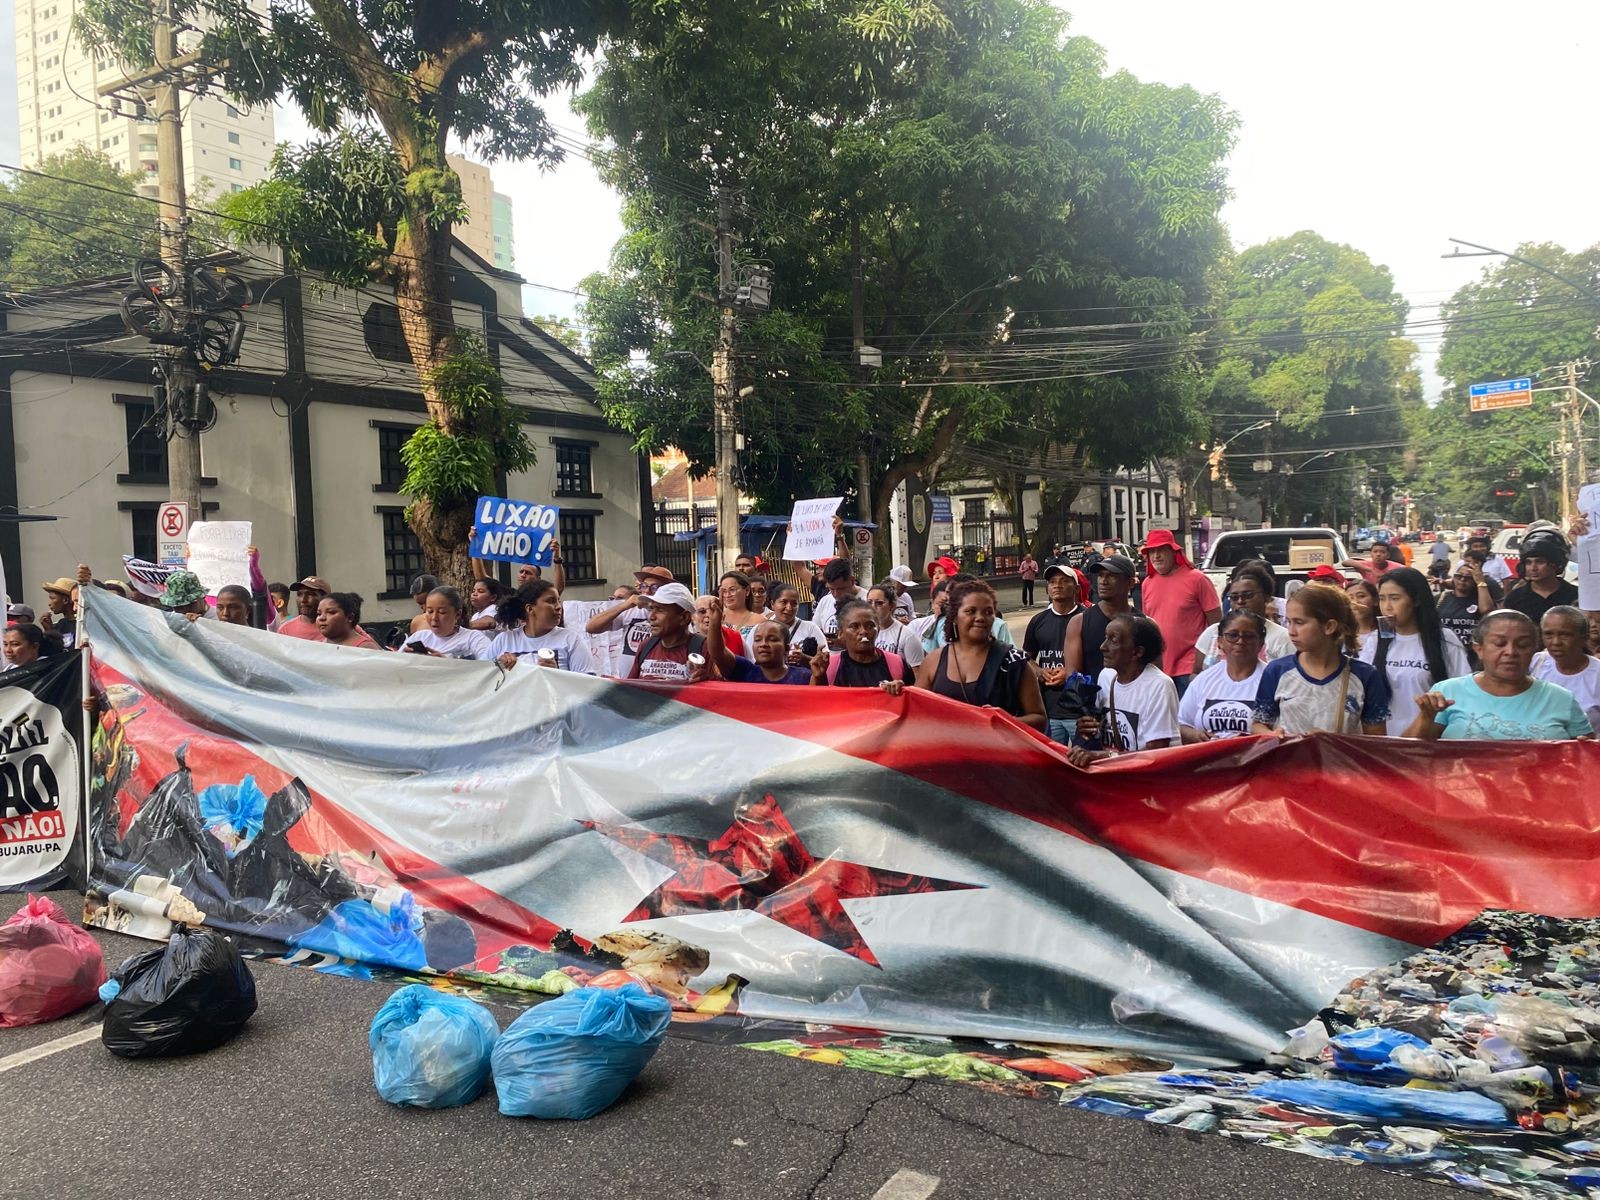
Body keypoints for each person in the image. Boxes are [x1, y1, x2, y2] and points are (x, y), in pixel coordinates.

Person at [1406, 610, 1593, 741]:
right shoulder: (1446, 692)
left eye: (1522, 644)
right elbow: (1404, 755)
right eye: (1499, 643)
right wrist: (1426, 718)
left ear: (1534, 650)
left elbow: (1588, 761)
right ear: (1479, 649)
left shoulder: (1562, 699)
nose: (1511, 652)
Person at [1252, 583, 1389, 737]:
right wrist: (1273, 735)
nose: (1291, 631)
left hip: (1339, 761)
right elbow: (1259, 725)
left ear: (1329, 627)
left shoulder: (1365, 676)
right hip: (1290, 760)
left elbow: (1377, 740)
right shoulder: (1277, 670)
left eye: (1299, 622)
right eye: (1289, 622)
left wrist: (1332, 742)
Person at [1360, 566, 1471, 736]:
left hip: (1428, 738)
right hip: (1383, 741)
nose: (1387, 607)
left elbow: (1462, 691)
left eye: (1395, 598)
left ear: (1416, 600)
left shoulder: (1444, 640)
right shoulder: (1375, 640)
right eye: (1382, 599)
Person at [914, 581, 1044, 726]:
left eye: (988, 612)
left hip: (998, 748)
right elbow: (915, 710)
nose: (980, 617)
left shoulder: (1014, 662)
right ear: (955, 617)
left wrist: (1003, 721)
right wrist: (896, 692)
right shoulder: (934, 660)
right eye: (971, 611)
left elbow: (1039, 718)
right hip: (947, 747)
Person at [1067, 614, 1178, 764]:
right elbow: (1100, 728)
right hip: (1115, 776)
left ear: (1137, 652)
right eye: (1106, 637)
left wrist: (1100, 756)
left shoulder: (1159, 686)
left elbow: (1156, 753)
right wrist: (1087, 728)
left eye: (1113, 641)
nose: (1103, 647)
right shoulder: (1106, 676)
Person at [1136, 529, 1220, 690]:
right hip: (1158, 669)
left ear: (1173, 551)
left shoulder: (1197, 579)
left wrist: (1211, 662)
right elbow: (1148, 625)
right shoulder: (1147, 583)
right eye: (1152, 551)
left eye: (1162, 550)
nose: (1156, 556)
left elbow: (1216, 624)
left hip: (1190, 668)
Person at [1179, 610, 1269, 743]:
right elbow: (1180, 724)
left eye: (1249, 636)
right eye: (1232, 635)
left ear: (1261, 643)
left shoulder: (1271, 679)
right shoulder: (1204, 680)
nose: (1240, 641)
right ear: (1220, 641)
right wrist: (1195, 735)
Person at [1023, 563, 1085, 743]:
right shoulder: (1038, 621)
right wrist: (1040, 671)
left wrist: (1071, 673)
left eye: (1064, 581)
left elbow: (1100, 660)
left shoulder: (1088, 618)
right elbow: (1027, 658)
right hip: (1049, 708)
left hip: (1081, 710)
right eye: (1052, 582)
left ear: (1077, 588)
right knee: (1053, 764)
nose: (1057, 585)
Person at [1192, 565, 1292, 673]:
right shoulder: (1213, 632)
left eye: (1248, 595)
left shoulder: (1283, 638)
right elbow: (1197, 672)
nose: (1240, 601)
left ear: (1267, 597)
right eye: (1234, 597)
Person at [587, 565, 674, 677]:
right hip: (627, 684)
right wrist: (625, 605)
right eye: (644, 586)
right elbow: (591, 627)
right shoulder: (631, 610)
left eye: (654, 587)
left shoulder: (674, 615)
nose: (647, 591)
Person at [490, 579, 593, 672]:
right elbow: (480, 677)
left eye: (558, 601)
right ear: (530, 609)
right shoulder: (504, 641)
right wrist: (497, 667)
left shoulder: (571, 640)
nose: (558, 607)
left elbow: (588, 686)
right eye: (551, 601)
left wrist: (557, 674)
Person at [815, 600, 915, 692]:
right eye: (854, 626)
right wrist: (818, 677)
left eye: (870, 626)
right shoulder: (830, 666)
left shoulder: (896, 664)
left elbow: (913, 701)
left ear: (878, 629)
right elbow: (816, 703)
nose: (863, 631)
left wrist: (901, 690)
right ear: (841, 633)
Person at [1065, 554, 1138, 679]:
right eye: (1100, 575)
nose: (1103, 581)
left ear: (1130, 583)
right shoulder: (1079, 622)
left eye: (1112, 576)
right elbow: (1073, 677)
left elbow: (1154, 677)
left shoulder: (1144, 624)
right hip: (1094, 697)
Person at [1531, 605, 1600, 731]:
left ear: (1583, 637)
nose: (1556, 642)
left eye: (1565, 635)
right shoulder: (1536, 663)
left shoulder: (1597, 674)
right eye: (1549, 634)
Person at [627, 582, 711, 682]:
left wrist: (706, 681)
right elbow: (630, 689)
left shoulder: (705, 648)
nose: (651, 617)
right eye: (651, 609)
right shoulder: (646, 646)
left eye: (660, 610)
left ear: (684, 617)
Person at [702, 607, 811, 684]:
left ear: (786, 648)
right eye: (758, 640)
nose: (763, 644)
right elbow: (718, 652)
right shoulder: (744, 671)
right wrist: (715, 622)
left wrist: (818, 676)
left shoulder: (804, 677)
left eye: (772, 639)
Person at [1501, 527, 1579, 629]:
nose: (1533, 568)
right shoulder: (1515, 598)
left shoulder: (1575, 595)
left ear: (1555, 564)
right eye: (1528, 562)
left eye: (1540, 562)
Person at [1437, 560, 1499, 671]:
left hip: (1472, 657)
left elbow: (1487, 610)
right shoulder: (1440, 598)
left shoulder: (1481, 599)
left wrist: (1480, 582)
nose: (1462, 580)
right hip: (1444, 654)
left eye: (1468, 577)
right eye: (1458, 576)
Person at [401, 587, 492, 659]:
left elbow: (489, 668)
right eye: (430, 611)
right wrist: (406, 659)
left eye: (442, 612)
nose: (434, 618)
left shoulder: (474, 639)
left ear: (457, 614)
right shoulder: (419, 637)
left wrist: (446, 664)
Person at [866, 585, 925, 670]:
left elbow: (918, 675)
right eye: (869, 602)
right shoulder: (863, 634)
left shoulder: (908, 636)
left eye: (879, 603)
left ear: (892, 606)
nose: (873, 607)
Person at [811, 559, 869, 646]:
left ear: (852, 581)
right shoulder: (825, 601)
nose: (836, 594)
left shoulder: (868, 601)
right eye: (831, 589)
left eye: (841, 589)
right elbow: (815, 631)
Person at [767, 582, 826, 663]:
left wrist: (804, 658)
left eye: (794, 603)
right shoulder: (761, 629)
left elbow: (824, 660)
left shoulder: (810, 628)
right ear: (772, 604)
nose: (789, 608)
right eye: (784, 602)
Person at [316, 592, 381, 650]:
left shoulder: (365, 648)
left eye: (331, 612)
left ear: (350, 617)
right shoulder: (315, 646)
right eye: (319, 614)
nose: (321, 618)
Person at [694, 593, 747, 658]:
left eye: (714, 611)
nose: (709, 615)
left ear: (723, 616)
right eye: (702, 611)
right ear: (693, 617)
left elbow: (749, 665)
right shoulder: (687, 641)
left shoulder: (736, 637)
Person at [279, 576, 330, 640]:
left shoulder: (335, 629)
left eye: (310, 594)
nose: (303, 600)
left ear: (325, 598)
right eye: (299, 594)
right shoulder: (285, 630)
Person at [716, 571, 761, 639]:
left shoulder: (760, 621)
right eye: (724, 591)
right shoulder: (715, 618)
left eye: (732, 590)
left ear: (747, 591)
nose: (728, 595)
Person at [40, 576, 77, 648]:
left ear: (65, 600)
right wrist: (49, 630)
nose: (49, 603)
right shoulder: (58, 625)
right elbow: (52, 651)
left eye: (53, 598)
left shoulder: (82, 625)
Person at [1345, 577, 1380, 651]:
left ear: (1375, 600)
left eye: (1361, 596)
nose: (1355, 602)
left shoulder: (1386, 633)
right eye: (1350, 598)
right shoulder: (1341, 635)